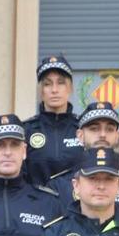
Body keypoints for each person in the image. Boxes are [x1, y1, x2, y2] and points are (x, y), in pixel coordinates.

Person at [45, 102, 119, 227]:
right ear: (80, 136)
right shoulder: (58, 186)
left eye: (109, 129)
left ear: (116, 136)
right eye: (94, 128)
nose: (103, 135)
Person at [24, 55, 82, 184]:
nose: (54, 90)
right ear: (41, 90)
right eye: (47, 84)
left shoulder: (84, 128)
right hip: (37, 197)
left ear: (70, 88)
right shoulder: (27, 130)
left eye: (61, 83)